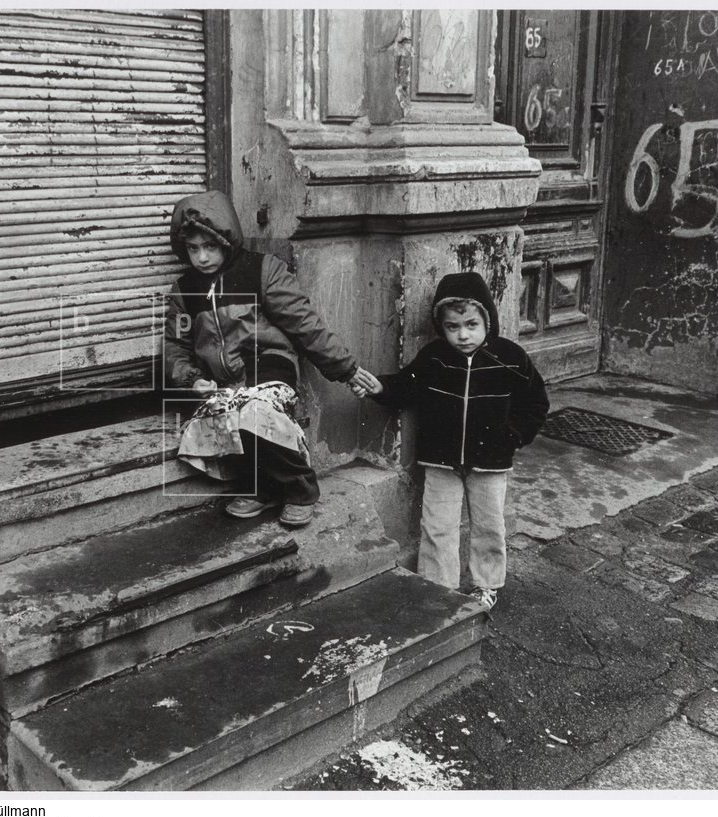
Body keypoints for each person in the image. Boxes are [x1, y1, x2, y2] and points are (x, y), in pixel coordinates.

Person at [349, 272, 549, 610]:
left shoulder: (510, 357)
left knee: (489, 526)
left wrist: (512, 436)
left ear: (487, 319)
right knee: (437, 527)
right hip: (440, 459)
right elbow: (405, 385)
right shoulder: (435, 357)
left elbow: (536, 403)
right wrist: (378, 388)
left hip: (490, 462)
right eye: (453, 327)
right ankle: (437, 586)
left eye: (471, 324)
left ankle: (487, 584)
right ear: (441, 326)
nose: (463, 335)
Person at [164, 190, 363, 527]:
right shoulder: (184, 291)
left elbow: (304, 324)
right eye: (193, 249)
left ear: (227, 241)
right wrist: (189, 377)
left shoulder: (262, 270)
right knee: (218, 416)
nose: (201, 257)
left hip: (268, 365)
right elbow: (175, 346)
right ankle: (262, 489)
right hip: (224, 378)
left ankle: (301, 490)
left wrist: (346, 368)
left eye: (210, 246)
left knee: (256, 411)